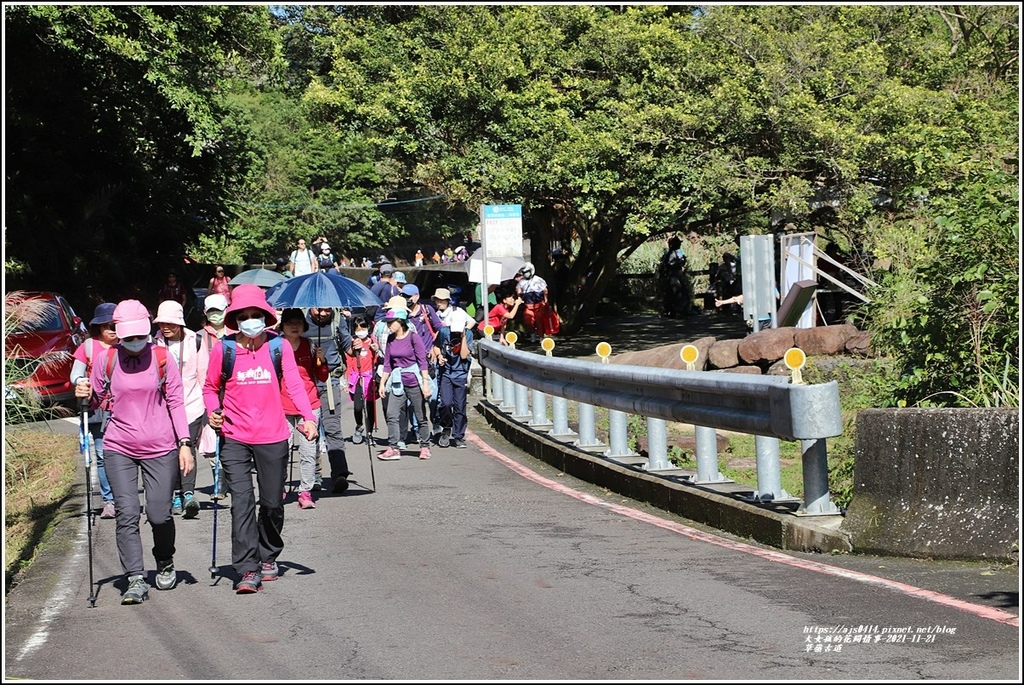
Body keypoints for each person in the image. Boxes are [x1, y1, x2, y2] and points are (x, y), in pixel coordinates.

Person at [74, 299, 194, 605]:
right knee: (126, 513)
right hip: (118, 446)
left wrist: (184, 443)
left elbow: (176, 402)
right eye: (127, 337)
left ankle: (164, 560)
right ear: (117, 333)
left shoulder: (162, 358)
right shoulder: (107, 359)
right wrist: (85, 394)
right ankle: (135, 577)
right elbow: (99, 399)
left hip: (161, 446)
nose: (134, 342)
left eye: (139, 335)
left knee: (158, 513)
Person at [203, 285, 318, 594]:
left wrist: (308, 418)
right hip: (234, 437)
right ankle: (247, 568)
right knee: (241, 503)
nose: (251, 320)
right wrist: (213, 411)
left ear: (266, 318)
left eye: (256, 315)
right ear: (235, 319)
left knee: (271, 503)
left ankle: (268, 556)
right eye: (244, 316)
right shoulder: (223, 350)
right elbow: (210, 388)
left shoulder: (279, 347)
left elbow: (294, 385)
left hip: (273, 436)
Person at [153, 300, 205, 520]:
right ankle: (175, 494)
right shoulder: (152, 343)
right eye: (162, 322)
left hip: (191, 403)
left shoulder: (196, 340)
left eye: (171, 323)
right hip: (163, 406)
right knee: (170, 451)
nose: (166, 327)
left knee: (187, 447)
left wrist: (210, 406)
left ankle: (188, 494)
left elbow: (203, 374)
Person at [69, 302, 119, 520]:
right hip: (97, 409)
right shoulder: (88, 346)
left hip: (124, 408)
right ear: (98, 326)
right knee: (101, 454)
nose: (112, 328)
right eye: (107, 324)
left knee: (123, 454)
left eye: (115, 324)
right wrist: (82, 382)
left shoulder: (129, 345)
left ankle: (124, 498)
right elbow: (75, 374)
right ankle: (109, 500)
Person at [302, 305, 354, 494]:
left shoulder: (337, 320)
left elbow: (347, 346)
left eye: (327, 311)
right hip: (306, 383)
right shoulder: (300, 320)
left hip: (330, 381)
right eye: (318, 310)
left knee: (333, 428)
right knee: (310, 430)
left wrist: (355, 348)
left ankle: (339, 474)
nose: (323, 314)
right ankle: (313, 476)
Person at [279, 308, 327, 510]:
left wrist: (321, 360)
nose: (294, 326)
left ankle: (305, 491)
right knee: (281, 451)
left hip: (309, 405)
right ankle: (277, 488)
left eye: (298, 322)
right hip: (281, 406)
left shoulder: (310, 345)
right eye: (289, 322)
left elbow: (322, 376)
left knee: (308, 451)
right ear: (282, 326)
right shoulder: (275, 347)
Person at [376, 304, 433, 461]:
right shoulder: (390, 339)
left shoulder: (413, 337)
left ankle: (425, 446)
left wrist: (426, 384)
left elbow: (422, 362)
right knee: (391, 414)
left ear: (400, 321)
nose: (388, 325)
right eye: (387, 322)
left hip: (414, 381)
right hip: (397, 381)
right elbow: (387, 363)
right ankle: (393, 447)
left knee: (420, 415)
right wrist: (382, 384)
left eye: (391, 322)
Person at [196, 293, 232, 498]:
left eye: (219, 311)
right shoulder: (198, 336)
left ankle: (231, 479)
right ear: (205, 313)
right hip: (209, 394)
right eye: (212, 312)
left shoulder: (236, 333)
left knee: (232, 438)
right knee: (212, 438)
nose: (215, 315)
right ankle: (219, 482)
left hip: (234, 393)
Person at [404, 283, 444, 440]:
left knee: (433, 396)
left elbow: (439, 328)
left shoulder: (427, 310)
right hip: (410, 361)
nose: (406, 299)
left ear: (417, 296)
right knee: (412, 400)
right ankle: (417, 430)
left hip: (428, 359)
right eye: (404, 296)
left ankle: (435, 422)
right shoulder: (403, 314)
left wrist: (436, 347)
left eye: (409, 296)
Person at [435, 314, 474, 449]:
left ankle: (458, 436)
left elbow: (464, 354)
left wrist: (462, 337)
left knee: (460, 406)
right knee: (445, 403)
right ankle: (446, 427)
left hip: (461, 374)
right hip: (446, 373)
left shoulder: (468, 334)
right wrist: (440, 356)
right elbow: (436, 347)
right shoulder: (444, 331)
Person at [345, 315, 379, 445]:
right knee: (358, 407)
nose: (360, 330)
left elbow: (377, 360)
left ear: (368, 327)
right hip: (356, 378)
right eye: (357, 328)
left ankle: (369, 434)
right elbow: (349, 361)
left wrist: (376, 350)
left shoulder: (372, 342)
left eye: (363, 327)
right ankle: (359, 425)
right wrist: (346, 380)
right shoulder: (352, 343)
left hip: (370, 378)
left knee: (370, 407)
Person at [514, 262, 548, 343]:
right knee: (528, 320)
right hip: (528, 304)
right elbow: (518, 291)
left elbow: (545, 291)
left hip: (539, 304)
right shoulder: (521, 282)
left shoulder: (539, 280)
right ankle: (532, 334)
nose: (525, 274)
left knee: (539, 321)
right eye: (524, 273)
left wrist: (546, 301)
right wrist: (519, 295)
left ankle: (541, 337)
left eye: (527, 272)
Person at [658, 235, 690, 318]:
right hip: (674, 275)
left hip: (674, 275)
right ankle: (675, 311)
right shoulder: (673, 253)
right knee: (676, 293)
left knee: (675, 293)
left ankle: (673, 310)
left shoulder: (672, 253)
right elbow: (671, 265)